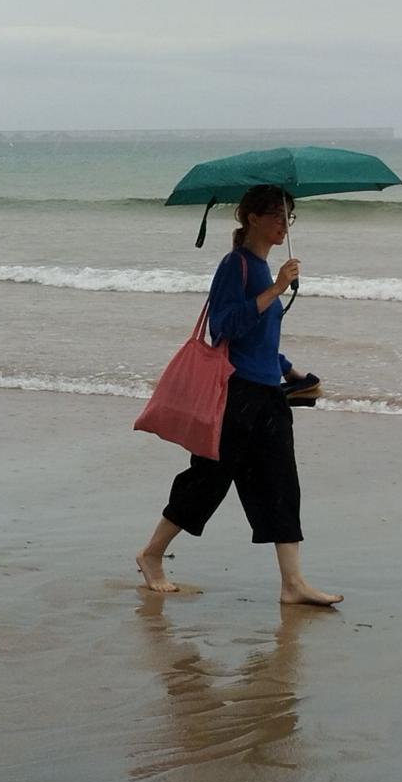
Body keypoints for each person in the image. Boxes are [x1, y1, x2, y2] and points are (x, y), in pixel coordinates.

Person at [136, 184, 343, 606]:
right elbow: (225, 326)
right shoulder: (237, 265)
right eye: (277, 216)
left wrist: (293, 372)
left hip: (269, 393)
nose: (284, 225)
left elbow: (262, 340)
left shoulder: (265, 270)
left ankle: (292, 584)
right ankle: (151, 555)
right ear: (253, 219)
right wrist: (276, 289)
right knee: (208, 479)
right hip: (236, 393)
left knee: (281, 483)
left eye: (289, 217)